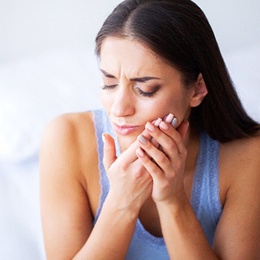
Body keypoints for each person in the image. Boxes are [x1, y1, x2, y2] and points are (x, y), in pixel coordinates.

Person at [40, 0, 260, 259]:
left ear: (197, 88)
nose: (119, 109)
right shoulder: (66, 139)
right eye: (109, 84)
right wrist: (122, 201)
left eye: (145, 89)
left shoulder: (248, 156)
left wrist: (172, 201)